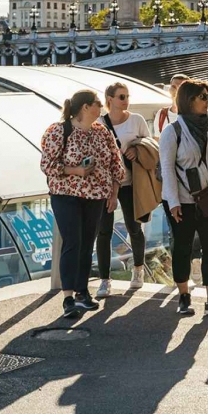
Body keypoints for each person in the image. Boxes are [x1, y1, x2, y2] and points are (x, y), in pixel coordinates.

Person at [39, 88, 125, 319]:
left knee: (88, 243)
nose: (102, 107)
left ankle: (82, 291)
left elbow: (116, 163)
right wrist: (76, 170)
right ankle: (68, 296)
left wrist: (114, 193)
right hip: (66, 194)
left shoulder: (102, 132)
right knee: (73, 242)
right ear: (85, 107)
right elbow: (48, 165)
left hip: (96, 195)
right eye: (98, 103)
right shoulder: (59, 130)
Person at [160, 79, 208, 319]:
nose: (207, 101)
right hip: (181, 200)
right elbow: (167, 170)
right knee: (182, 248)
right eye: (202, 96)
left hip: (207, 198)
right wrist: (173, 203)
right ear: (189, 100)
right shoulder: (172, 131)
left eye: (207, 96)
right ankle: (184, 296)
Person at [97, 81, 155, 296]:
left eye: (127, 96)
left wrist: (135, 149)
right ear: (109, 99)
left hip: (131, 183)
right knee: (103, 232)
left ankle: (138, 269)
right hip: (105, 185)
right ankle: (105, 280)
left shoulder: (137, 120)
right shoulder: (99, 123)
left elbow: (150, 145)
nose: (126, 100)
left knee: (134, 228)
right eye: (122, 96)